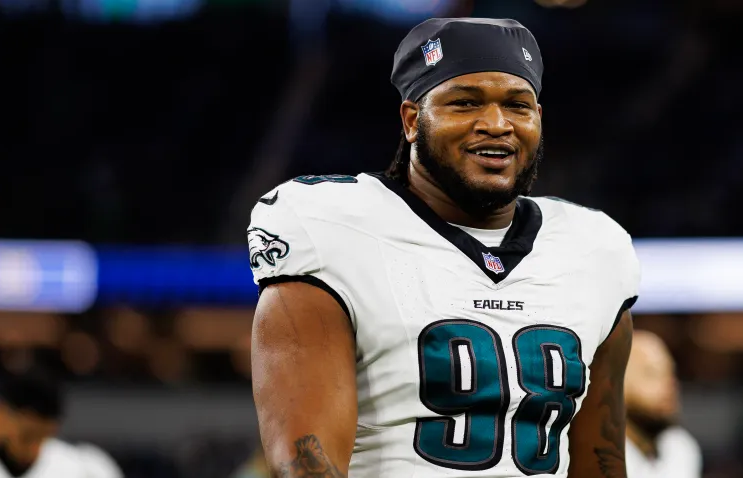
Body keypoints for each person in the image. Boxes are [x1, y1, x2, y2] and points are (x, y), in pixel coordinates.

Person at [248, 17, 640, 477]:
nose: (496, 124)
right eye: (465, 103)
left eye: (518, 105)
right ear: (413, 121)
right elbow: (304, 463)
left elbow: (601, 458)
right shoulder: (331, 226)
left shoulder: (594, 248)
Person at [625, 330, 701, 477]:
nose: (670, 385)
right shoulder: (586, 457)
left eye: (671, 373)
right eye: (652, 374)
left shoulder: (680, 448)